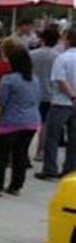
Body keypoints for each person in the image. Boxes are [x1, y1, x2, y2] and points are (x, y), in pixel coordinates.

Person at [0, 47, 41, 196]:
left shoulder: (8, 79)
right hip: (32, 121)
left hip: (11, 121)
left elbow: (1, 103)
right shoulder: (34, 78)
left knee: (0, 154)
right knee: (20, 154)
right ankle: (16, 185)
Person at [37, 27, 76, 180]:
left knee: (51, 137)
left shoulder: (62, 58)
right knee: (73, 138)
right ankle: (70, 169)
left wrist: (72, 96)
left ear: (67, 39)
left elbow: (60, 80)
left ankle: (50, 168)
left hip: (61, 102)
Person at [31, 28, 62, 161]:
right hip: (49, 94)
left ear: (42, 39)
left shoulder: (32, 54)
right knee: (44, 124)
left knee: (29, 123)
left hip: (32, 92)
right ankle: (39, 152)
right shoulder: (58, 57)